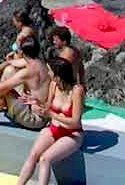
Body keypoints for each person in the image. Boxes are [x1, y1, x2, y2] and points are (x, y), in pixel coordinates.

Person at [13, 57, 85, 185]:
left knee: (45, 159)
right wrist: (37, 102)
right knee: (34, 154)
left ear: (58, 74)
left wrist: (51, 114)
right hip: (54, 129)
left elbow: (75, 122)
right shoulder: (54, 85)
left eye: (50, 71)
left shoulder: (77, 91)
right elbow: (47, 107)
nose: (48, 73)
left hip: (72, 134)